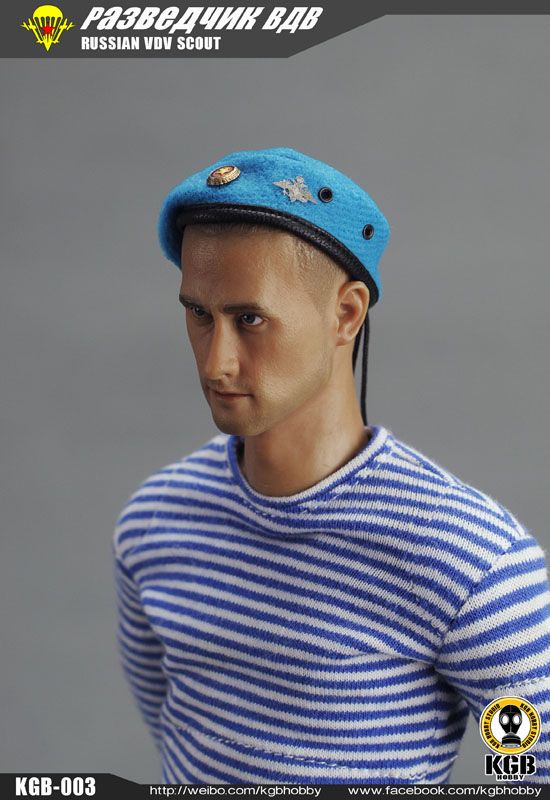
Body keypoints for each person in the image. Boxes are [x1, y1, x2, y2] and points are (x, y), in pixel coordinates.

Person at [113, 147, 550, 785]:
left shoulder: (469, 558)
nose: (215, 362)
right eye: (199, 314)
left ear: (346, 314)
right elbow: (170, 727)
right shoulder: (155, 522)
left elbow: (532, 760)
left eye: (250, 319)